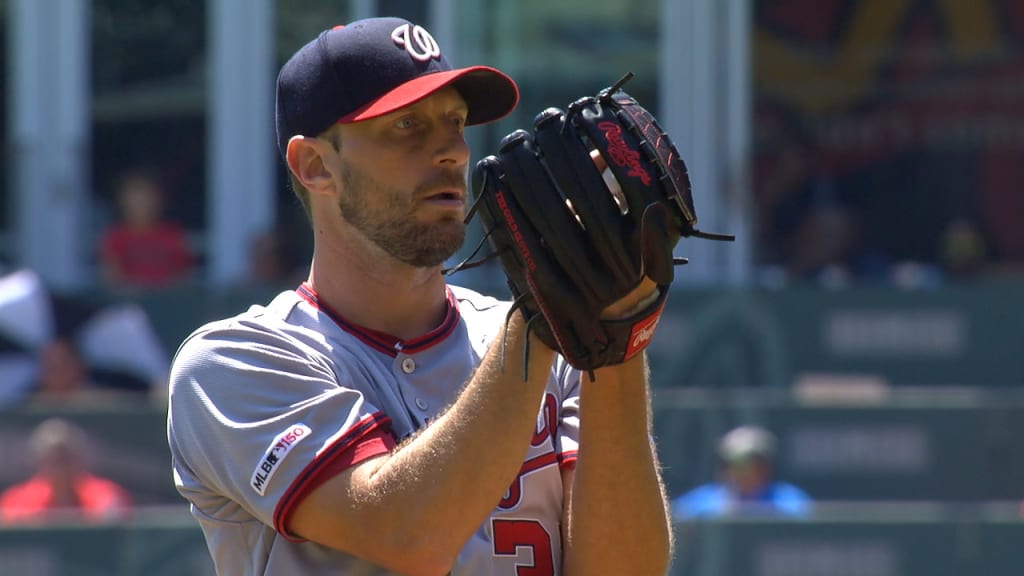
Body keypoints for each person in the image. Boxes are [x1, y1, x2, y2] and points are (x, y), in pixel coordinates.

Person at [166, 16, 673, 576]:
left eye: (454, 121)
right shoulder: (235, 362)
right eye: (407, 124)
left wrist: (619, 324)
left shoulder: (556, 344)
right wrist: (540, 318)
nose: (452, 151)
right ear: (316, 165)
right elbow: (408, 535)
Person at [0, 418, 133, 524]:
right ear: (39, 463)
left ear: (80, 460)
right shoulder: (16, 501)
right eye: (54, 459)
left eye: (67, 458)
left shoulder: (106, 494)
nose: (61, 467)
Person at [671, 425, 812, 520]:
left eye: (743, 463)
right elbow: (675, 521)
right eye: (727, 463)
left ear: (765, 467)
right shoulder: (704, 501)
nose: (734, 471)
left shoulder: (788, 500)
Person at [97, 168, 195, 290]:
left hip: (167, 297)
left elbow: (184, 275)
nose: (141, 204)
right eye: (135, 199)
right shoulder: (115, 237)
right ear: (122, 202)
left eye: (146, 197)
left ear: (159, 200)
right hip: (130, 298)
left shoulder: (173, 234)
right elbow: (112, 278)